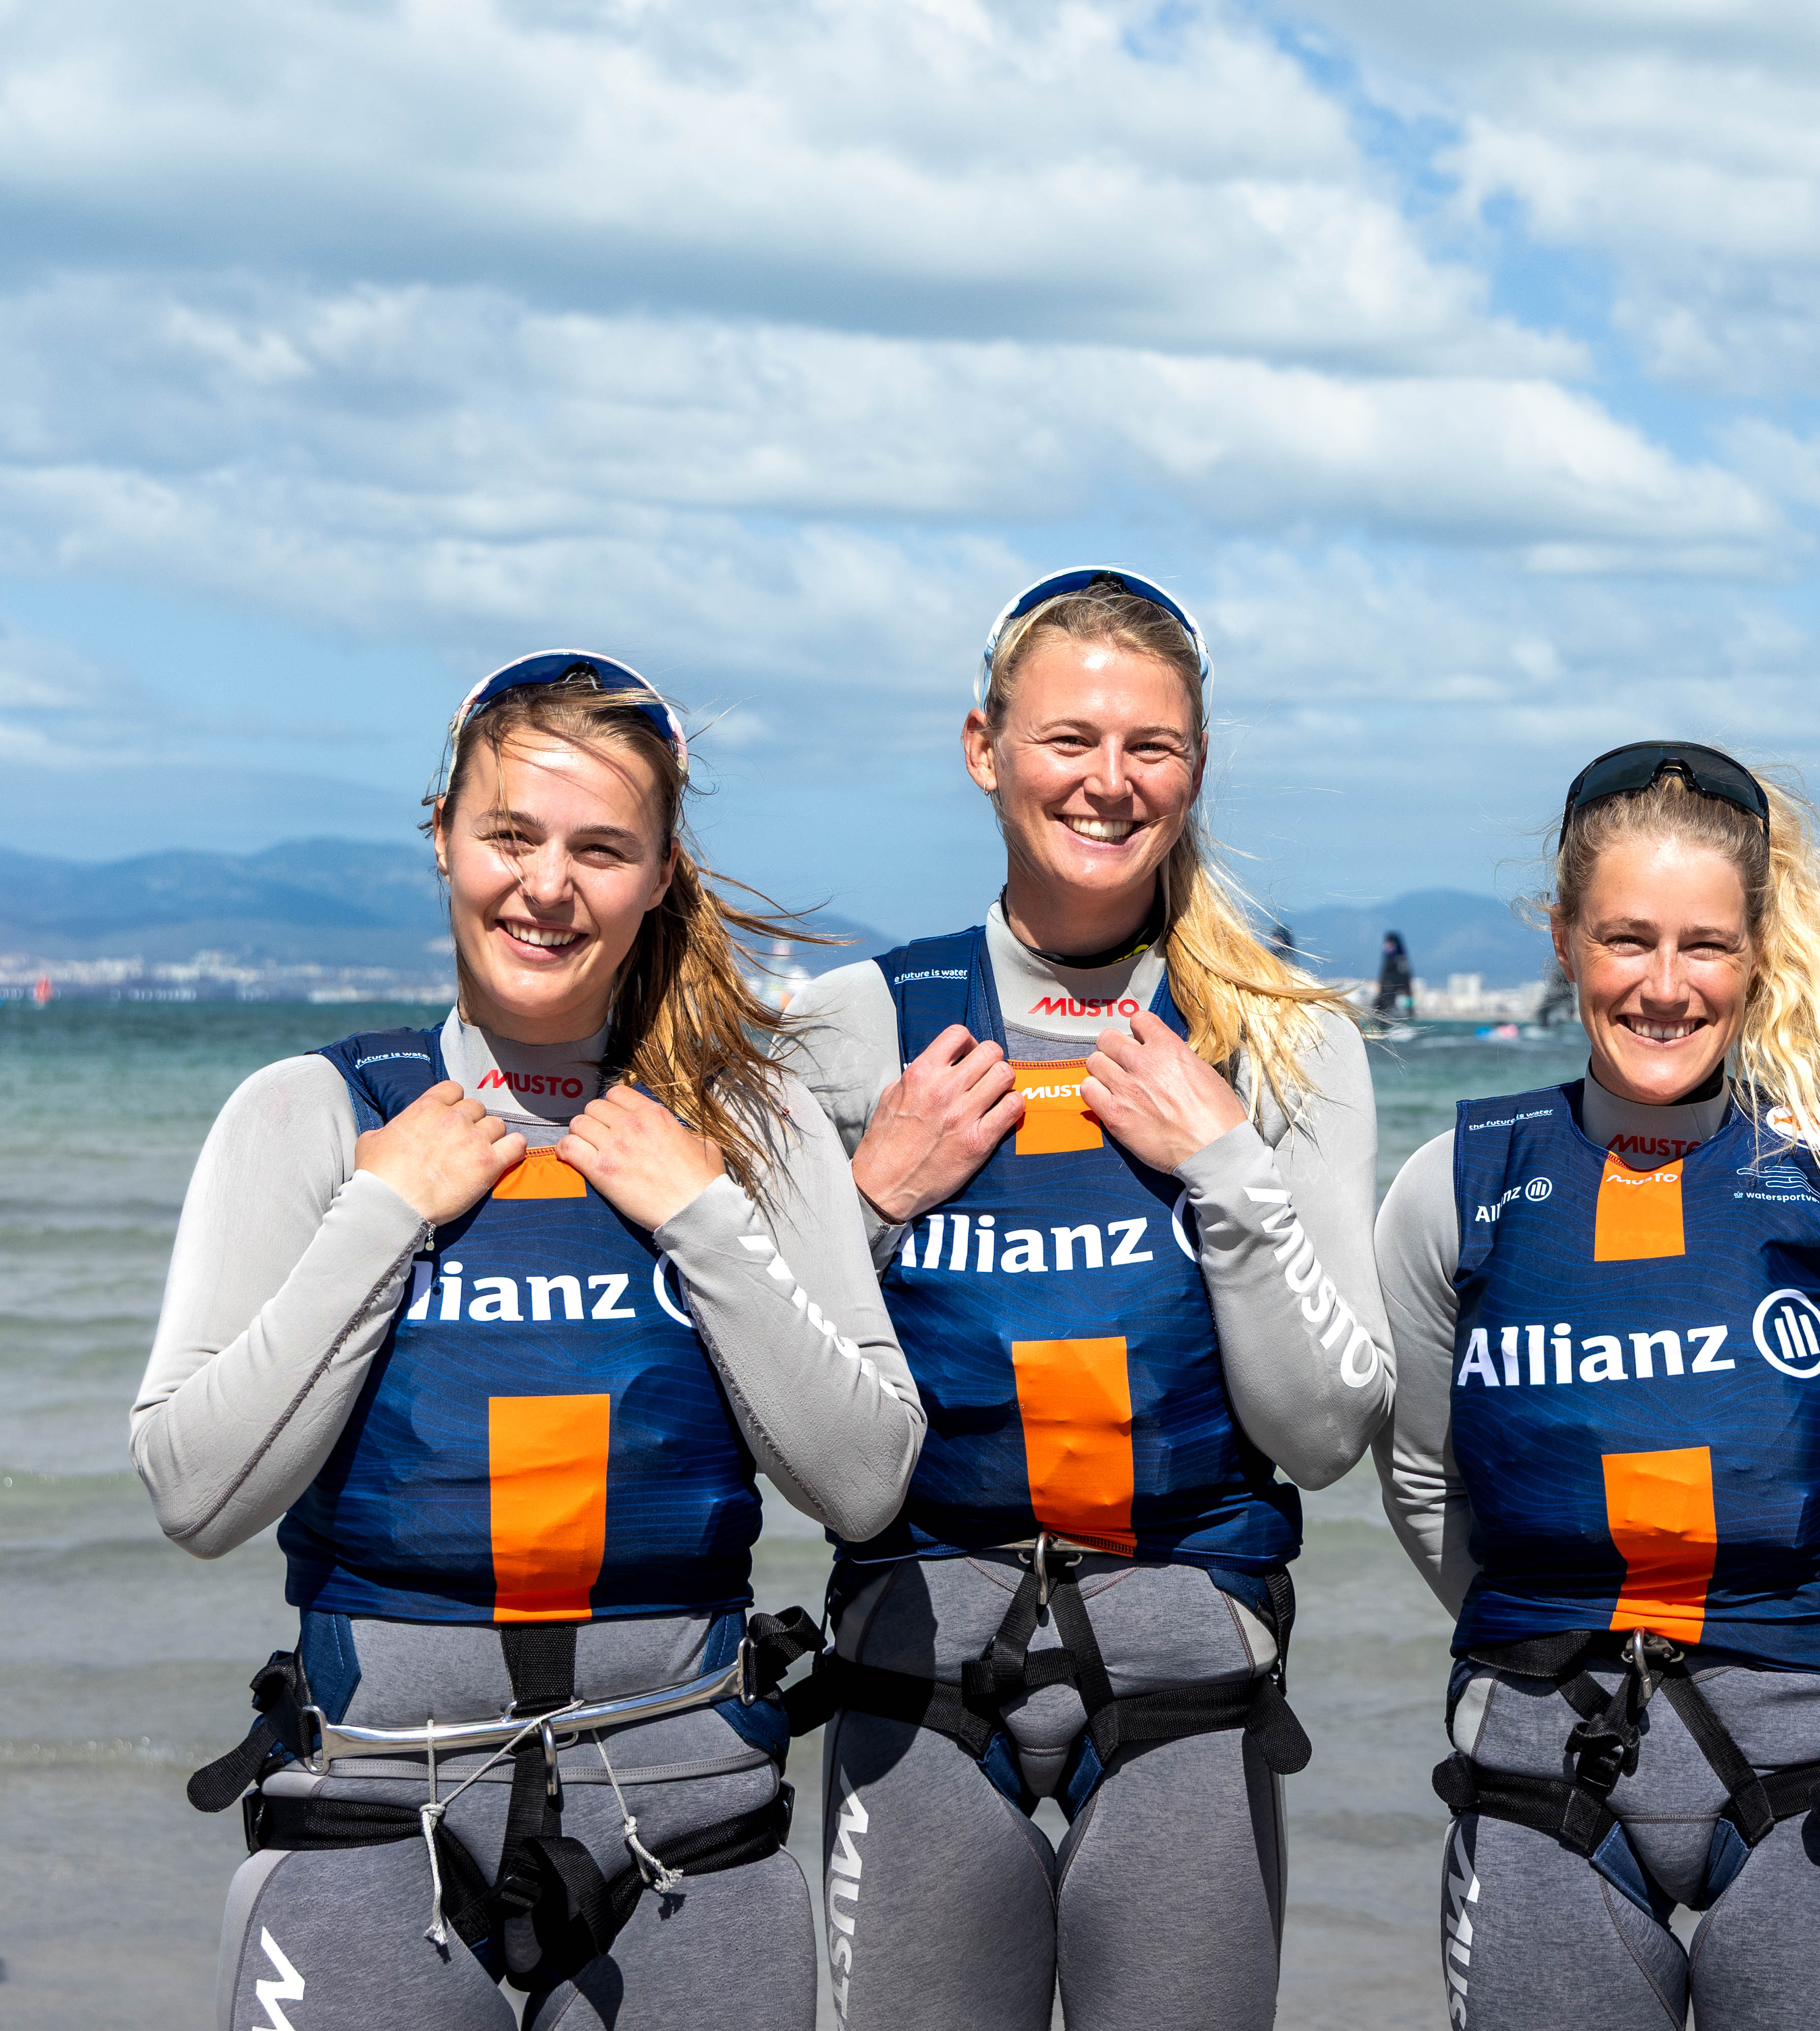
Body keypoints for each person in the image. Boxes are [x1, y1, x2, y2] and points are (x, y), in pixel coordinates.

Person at [143, 654, 923, 2027]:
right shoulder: (313, 1115)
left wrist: (704, 1221)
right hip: (377, 1808)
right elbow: (195, 1493)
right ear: (441, 832)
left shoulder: (753, 1125)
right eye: (511, 834)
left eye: (600, 849)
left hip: (692, 1830)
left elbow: (862, 1482)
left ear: (662, 873)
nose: (546, 887)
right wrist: (383, 1212)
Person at [777, 567, 1389, 2030]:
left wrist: (1226, 1168)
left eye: (1151, 747)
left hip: (1187, 1672)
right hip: (914, 1670)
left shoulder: (1280, 1040)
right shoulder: (849, 1027)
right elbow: (781, 1427)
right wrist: (876, 1196)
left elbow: (1323, 1431)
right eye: (1069, 739)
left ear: (1196, 770)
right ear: (984, 746)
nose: (1108, 783)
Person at [1374, 741, 1820, 2031]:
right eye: (1626, 940)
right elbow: (1423, 1473)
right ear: (1563, 939)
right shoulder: (1457, 1181)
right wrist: (1566, 1614)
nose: (1665, 988)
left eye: (1706, 945)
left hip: (1814, 1768)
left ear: (1760, 949)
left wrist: (1801, 1635)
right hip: (1542, 1770)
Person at [1375, 930, 1415, 1023]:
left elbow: (1406, 981)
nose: (1386, 946)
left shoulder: (1398, 959)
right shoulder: (1392, 958)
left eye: (1389, 944)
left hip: (1394, 996)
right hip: (1386, 995)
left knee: (1388, 1012)